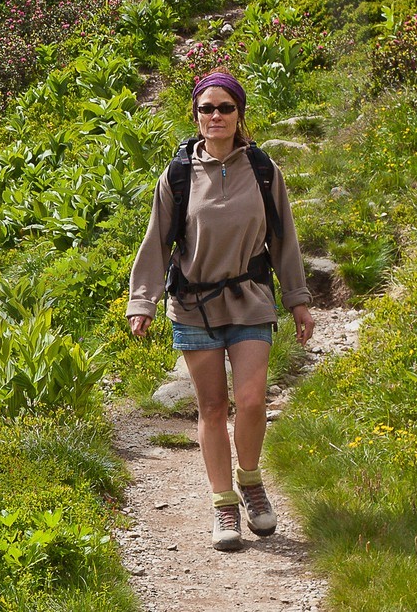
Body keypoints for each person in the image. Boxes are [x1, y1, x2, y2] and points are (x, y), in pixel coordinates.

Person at [127, 71, 315, 552]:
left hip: (251, 297)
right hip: (192, 304)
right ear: (195, 114)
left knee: (251, 402)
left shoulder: (264, 170)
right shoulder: (178, 175)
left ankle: (250, 481)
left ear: (239, 115)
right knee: (212, 408)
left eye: (224, 108)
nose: (215, 116)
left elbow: (284, 239)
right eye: (206, 108)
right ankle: (223, 504)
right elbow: (156, 242)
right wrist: (142, 301)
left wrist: (297, 300)